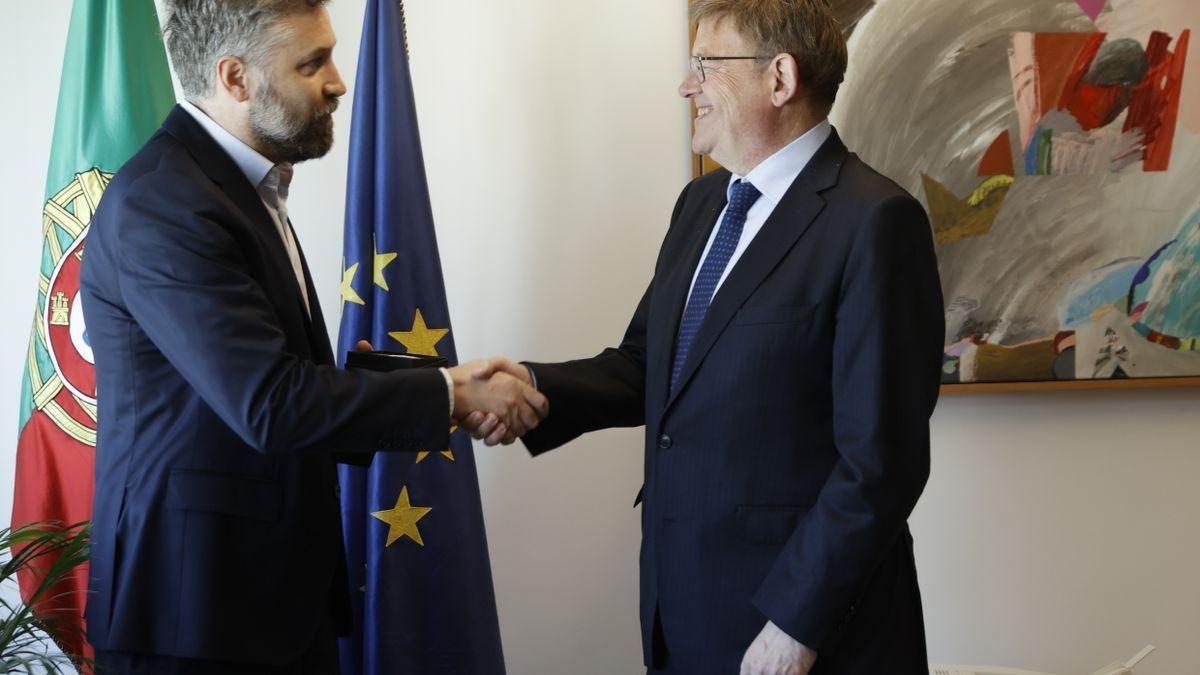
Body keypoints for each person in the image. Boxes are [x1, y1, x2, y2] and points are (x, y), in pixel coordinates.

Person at [465, 0, 945, 672]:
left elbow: (881, 462)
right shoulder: (701, 207)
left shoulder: (875, 222)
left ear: (779, 79)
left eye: (705, 67)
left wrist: (795, 623)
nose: (685, 86)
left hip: (803, 628)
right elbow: (647, 366)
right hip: (682, 602)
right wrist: (532, 386)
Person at [79, 0, 546, 671]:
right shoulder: (166, 201)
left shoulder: (240, 187)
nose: (339, 80)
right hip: (193, 621)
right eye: (311, 62)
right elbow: (271, 400)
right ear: (236, 79)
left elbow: (284, 371)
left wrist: (455, 385)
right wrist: (445, 396)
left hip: (266, 607)